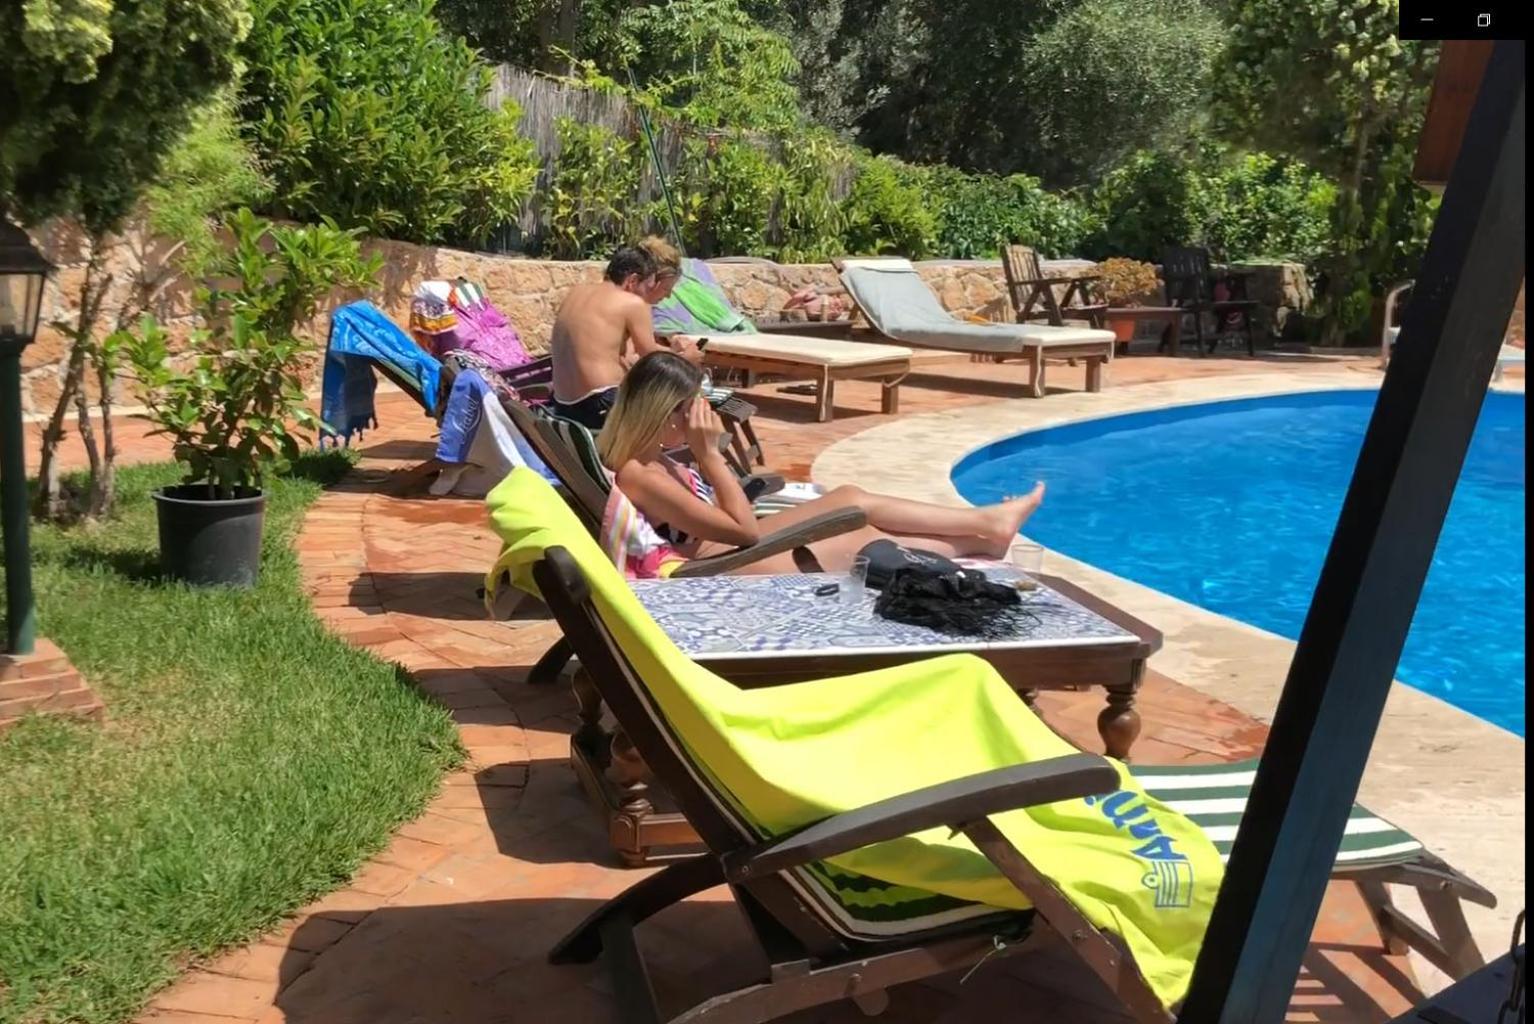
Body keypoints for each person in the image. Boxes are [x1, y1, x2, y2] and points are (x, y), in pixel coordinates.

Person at [597, 351, 1046, 576]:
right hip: (715, 566)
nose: (704, 415)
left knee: (849, 498)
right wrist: (708, 453)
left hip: (723, 548)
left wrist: (699, 455)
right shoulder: (643, 475)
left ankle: (986, 525)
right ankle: (977, 541)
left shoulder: (651, 459)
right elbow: (745, 532)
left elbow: (732, 522)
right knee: (860, 537)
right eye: (693, 407)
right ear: (666, 412)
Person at [550, 245, 703, 430]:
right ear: (633, 280)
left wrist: (670, 351)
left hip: (562, 405)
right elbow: (651, 357)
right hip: (602, 403)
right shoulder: (632, 303)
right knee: (678, 411)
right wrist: (685, 358)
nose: (648, 294)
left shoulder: (576, 292)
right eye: (649, 286)